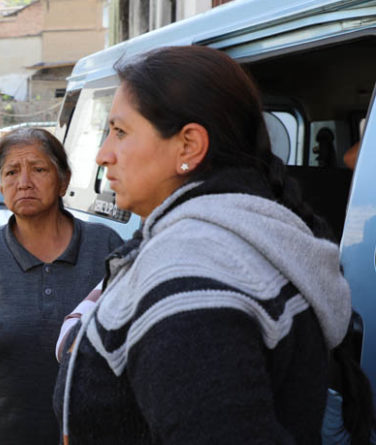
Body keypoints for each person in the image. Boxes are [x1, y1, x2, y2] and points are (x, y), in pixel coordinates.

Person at [54, 45, 353, 444]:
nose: (103, 154)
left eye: (121, 131)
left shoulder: (191, 271)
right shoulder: (252, 233)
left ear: (189, 146)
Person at [0, 128, 122, 445]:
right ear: (0, 185)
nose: (24, 182)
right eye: (11, 172)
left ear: (63, 181)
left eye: (38, 169)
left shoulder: (104, 247)